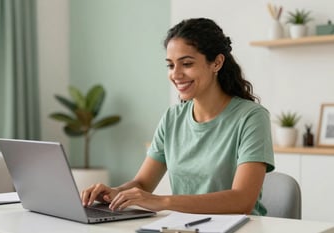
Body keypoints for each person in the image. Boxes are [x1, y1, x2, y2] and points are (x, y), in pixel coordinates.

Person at [81, 18, 274, 215]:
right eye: (170, 65)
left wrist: (163, 202)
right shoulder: (172, 117)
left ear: (216, 63)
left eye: (187, 64)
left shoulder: (251, 117)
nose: (176, 74)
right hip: (185, 227)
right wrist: (114, 192)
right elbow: (143, 183)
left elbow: (242, 200)